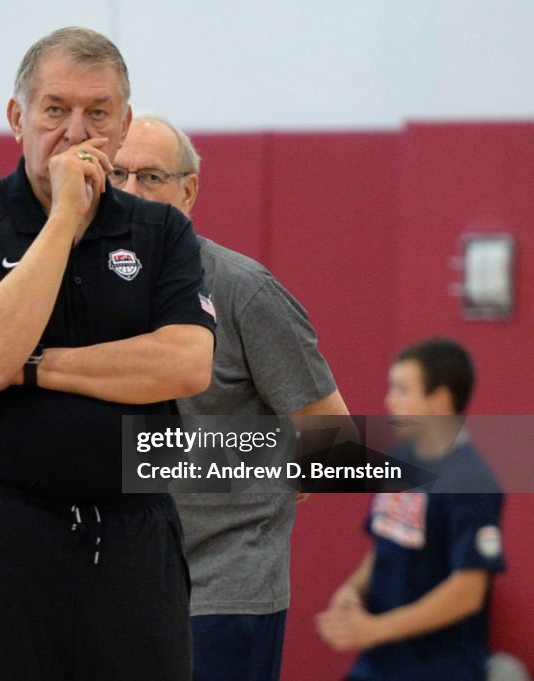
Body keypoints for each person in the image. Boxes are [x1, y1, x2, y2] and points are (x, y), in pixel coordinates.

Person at [0, 27, 216, 681]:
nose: (77, 132)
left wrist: (32, 366)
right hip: (3, 533)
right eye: (55, 110)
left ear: (123, 123)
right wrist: (62, 222)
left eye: (98, 113)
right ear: (18, 117)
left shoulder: (162, 231)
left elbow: (186, 362)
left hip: (135, 533)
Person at [111, 114, 350, 681]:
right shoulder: (85, 289)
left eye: (149, 177)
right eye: (116, 174)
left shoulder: (244, 291)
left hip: (222, 595)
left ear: (188, 190)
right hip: (116, 588)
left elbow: (337, 446)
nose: (130, 193)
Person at [316, 338, 505, 681]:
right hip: (377, 665)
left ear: (441, 400)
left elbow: (467, 592)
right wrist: (351, 591)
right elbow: (385, 545)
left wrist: (375, 629)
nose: (389, 401)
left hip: (440, 669)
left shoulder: (471, 480)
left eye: (403, 390)